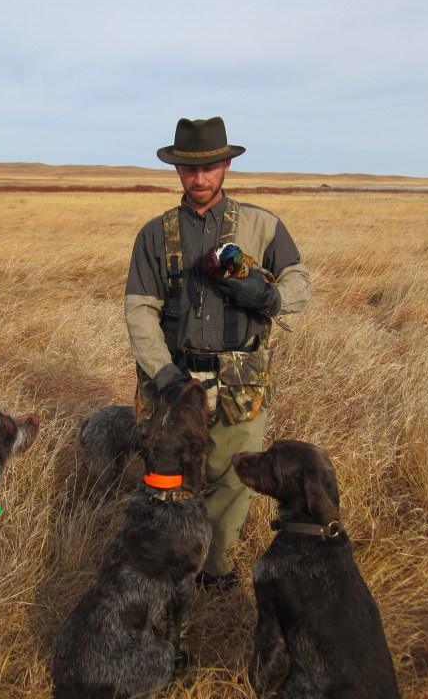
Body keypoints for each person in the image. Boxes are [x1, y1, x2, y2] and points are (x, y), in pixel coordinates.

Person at [125, 116, 313, 590]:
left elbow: (300, 284)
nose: (200, 178)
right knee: (168, 481)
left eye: (209, 166)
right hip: (174, 382)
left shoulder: (262, 225)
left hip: (239, 382)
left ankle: (214, 569)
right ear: (177, 171)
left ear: (226, 164)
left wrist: (270, 298)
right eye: (190, 169)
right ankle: (168, 571)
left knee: (231, 479)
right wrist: (165, 377)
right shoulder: (154, 235)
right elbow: (140, 311)